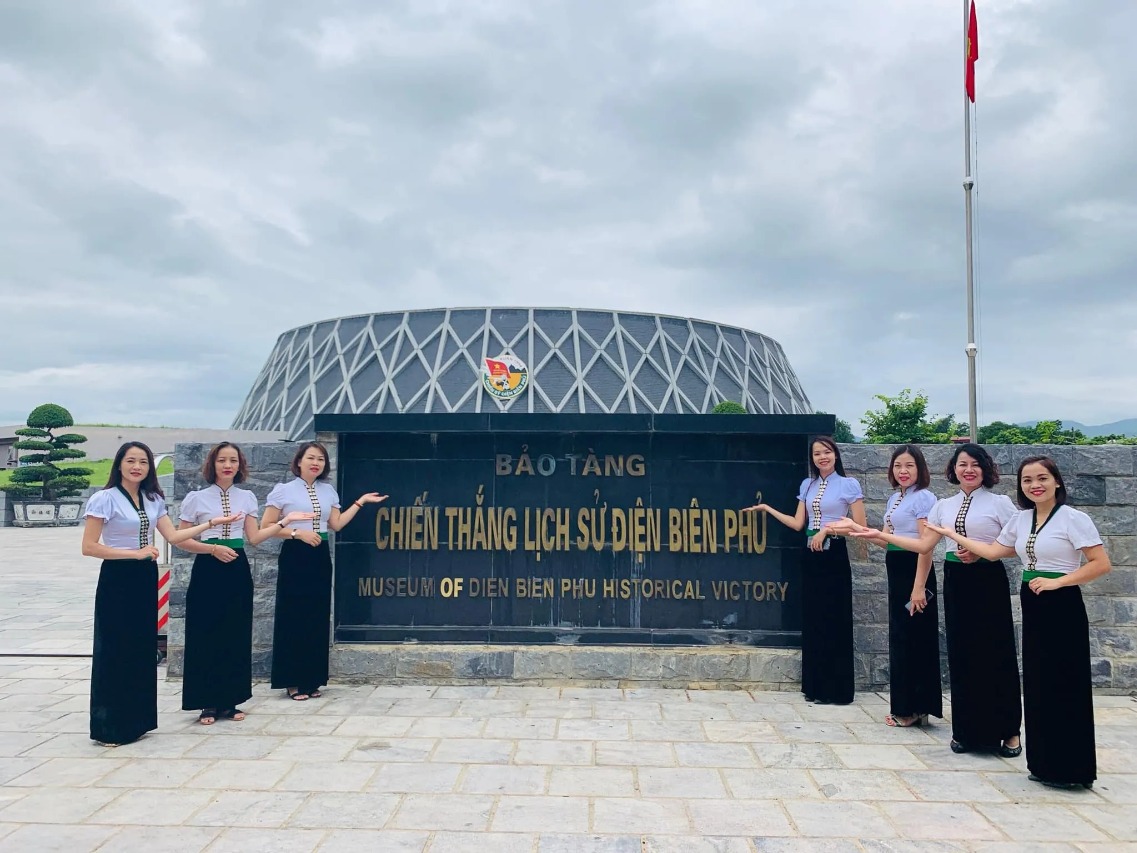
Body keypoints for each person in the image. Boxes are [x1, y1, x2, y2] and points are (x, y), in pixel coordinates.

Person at [926, 455, 1110, 789]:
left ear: (1056, 481)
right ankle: (1043, 764)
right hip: (1033, 600)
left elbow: (1100, 564)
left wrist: (1059, 582)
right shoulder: (1022, 519)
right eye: (1027, 480)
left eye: (1042, 478)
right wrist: (950, 534)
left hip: (1062, 602)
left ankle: (1072, 769)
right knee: (1038, 682)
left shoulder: (1074, 518)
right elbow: (995, 552)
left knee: (1066, 680)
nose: (1035, 485)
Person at [856, 443, 1021, 755]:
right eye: (962, 464)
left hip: (988, 581)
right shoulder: (944, 506)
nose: (968, 470)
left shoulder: (999, 503)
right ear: (953, 469)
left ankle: (1009, 731)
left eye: (974, 464)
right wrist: (873, 534)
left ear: (985, 468)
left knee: (996, 651)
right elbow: (923, 545)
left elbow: (1018, 544)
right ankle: (967, 732)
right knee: (962, 654)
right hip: (957, 581)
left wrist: (984, 552)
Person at [81, 441, 243, 746]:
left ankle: (137, 722)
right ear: (119, 464)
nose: (137, 467)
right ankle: (110, 727)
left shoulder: (152, 499)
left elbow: (174, 536)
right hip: (118, 577)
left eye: (143, 462)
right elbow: (89, 547)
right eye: (131, 461)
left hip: (144, 575)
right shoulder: (104, 498)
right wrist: (134, 553)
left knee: (141, 648)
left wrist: (210, 524)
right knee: (115, 648)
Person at [176, 442, 314, 725]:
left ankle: (231, 701)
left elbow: (255, 538)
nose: (228, 465)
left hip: (237, 568)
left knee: (235, 633)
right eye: (222, 460)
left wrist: (286, 522)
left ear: (240, 465)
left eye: (233, 460)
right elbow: (181, 539)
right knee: (205, 632)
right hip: (208, 567)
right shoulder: (196, 498)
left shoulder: (247, 497)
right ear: (212, 464)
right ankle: (207, 703)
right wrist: (212, 549)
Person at [745, 436, 866, 705]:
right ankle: (816, 687)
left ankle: (837, 690)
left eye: (827, 452)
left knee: (834, 618)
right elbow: (798, 523)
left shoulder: (848, 484)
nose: (822, 457)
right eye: (817, 453)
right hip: (811, 553)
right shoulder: (808, 484)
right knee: (814, 618)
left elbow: (860, 526)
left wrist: (827, 530)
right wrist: (767, 509)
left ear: (836, 454)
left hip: (834, 553)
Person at [261, 442, 386, 701]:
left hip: (319, 554)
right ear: (299, 461)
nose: (315, 463)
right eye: (311, 458)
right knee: (293, 614)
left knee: (316, 615)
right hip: (295, 554)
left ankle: (312, 678)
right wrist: (297, 533)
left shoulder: (328, 491)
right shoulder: (283, 490)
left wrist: (360, 502)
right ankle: (292, 680)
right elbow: (267, 526)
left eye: (320, 459)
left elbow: (336, 524)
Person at [848, 445, 942, 727]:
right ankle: (906, 706)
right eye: (898, 465)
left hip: (915, 571)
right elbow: (887, 540)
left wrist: (919, 586)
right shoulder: (895, 498)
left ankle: (916, 708)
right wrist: (860, 531)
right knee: (902, 637)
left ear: (920, 469)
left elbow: (926, 546)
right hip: (897, 569)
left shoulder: (924, 498)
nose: (903, 471)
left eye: (909, 465)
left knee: (916, 639)